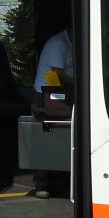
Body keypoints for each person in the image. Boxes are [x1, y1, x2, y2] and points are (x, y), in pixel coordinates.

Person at [33, 27, 73, 198]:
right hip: (47, 94)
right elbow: (59, 74)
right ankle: (43, 182)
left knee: (65, 134)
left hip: (63, 92)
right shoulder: (59, 43)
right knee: (48, 134)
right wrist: (84, 83)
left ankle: (62, 179)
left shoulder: (73, 43)